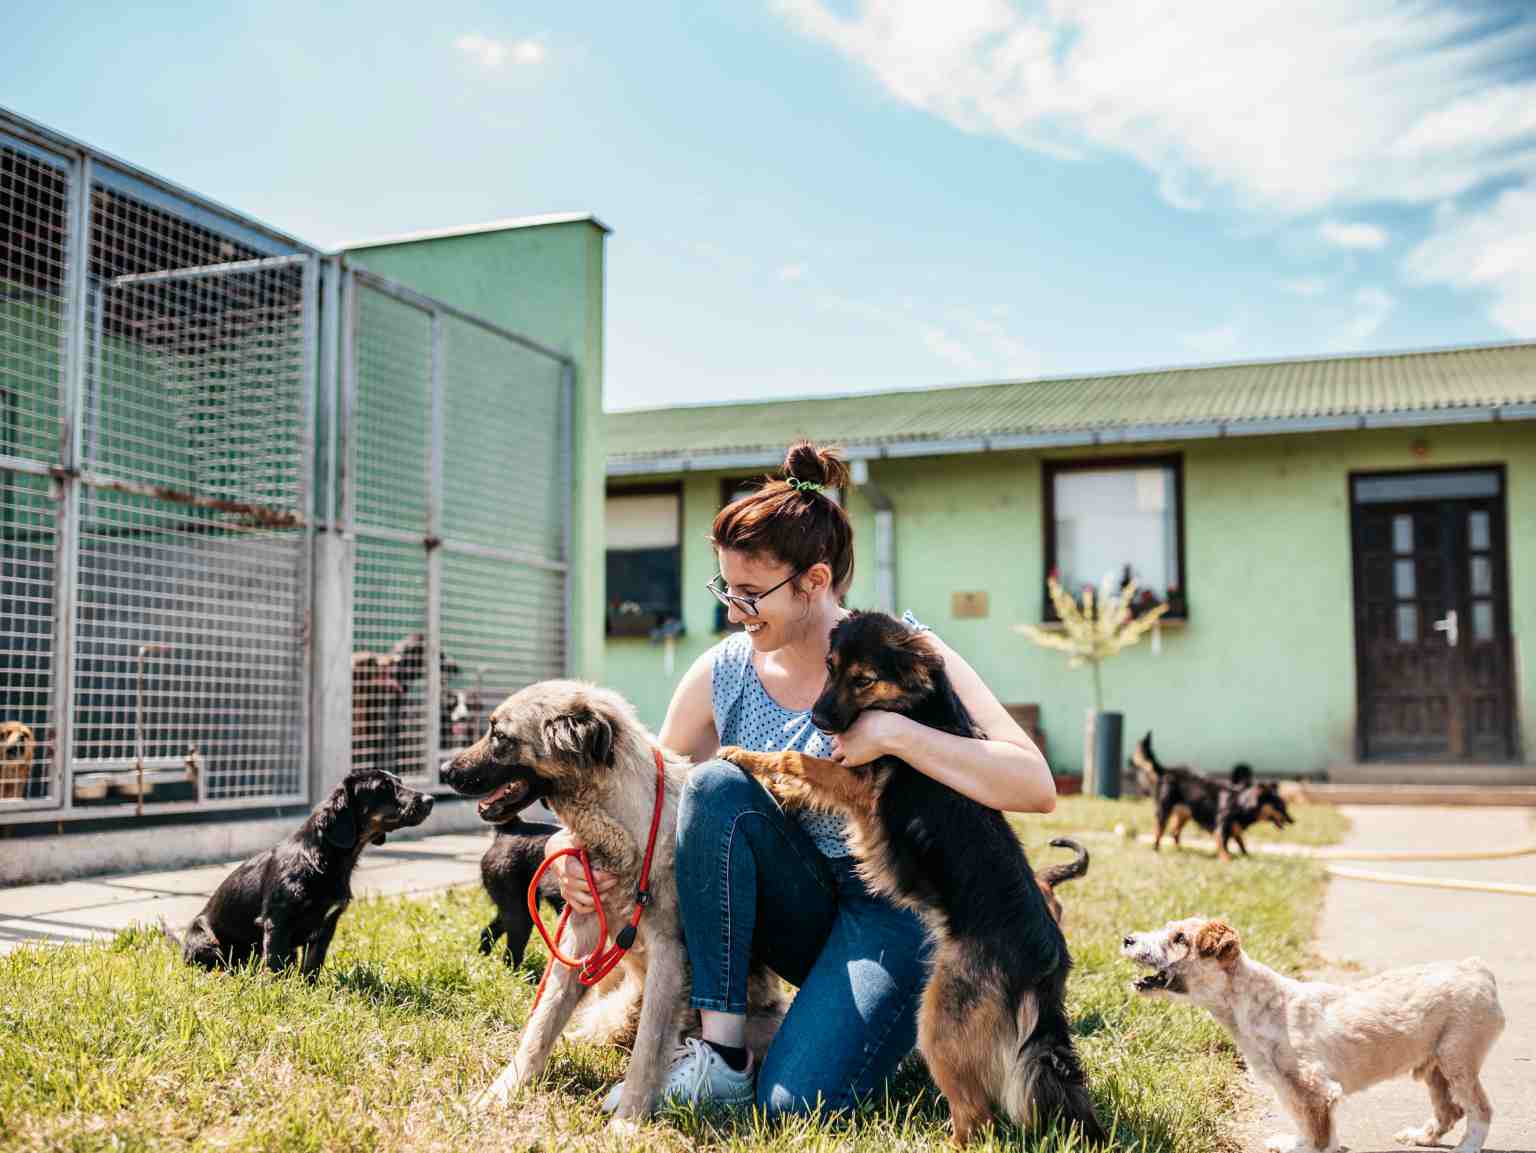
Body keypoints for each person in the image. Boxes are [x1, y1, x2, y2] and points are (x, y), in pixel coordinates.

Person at [547, 441, 1057, 1116]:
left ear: (815, 581)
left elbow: (1034, 783)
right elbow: (647, 802)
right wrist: (564, 856)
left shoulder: (904, 651)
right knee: (713, 786)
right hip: (791, 905)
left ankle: (875, 1021)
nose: (734, 608)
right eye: (725, 588)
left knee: (796, 1102)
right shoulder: (722, 671)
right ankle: (723, 1054)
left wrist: (895, 732)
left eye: (752, 592)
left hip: (892, 912)